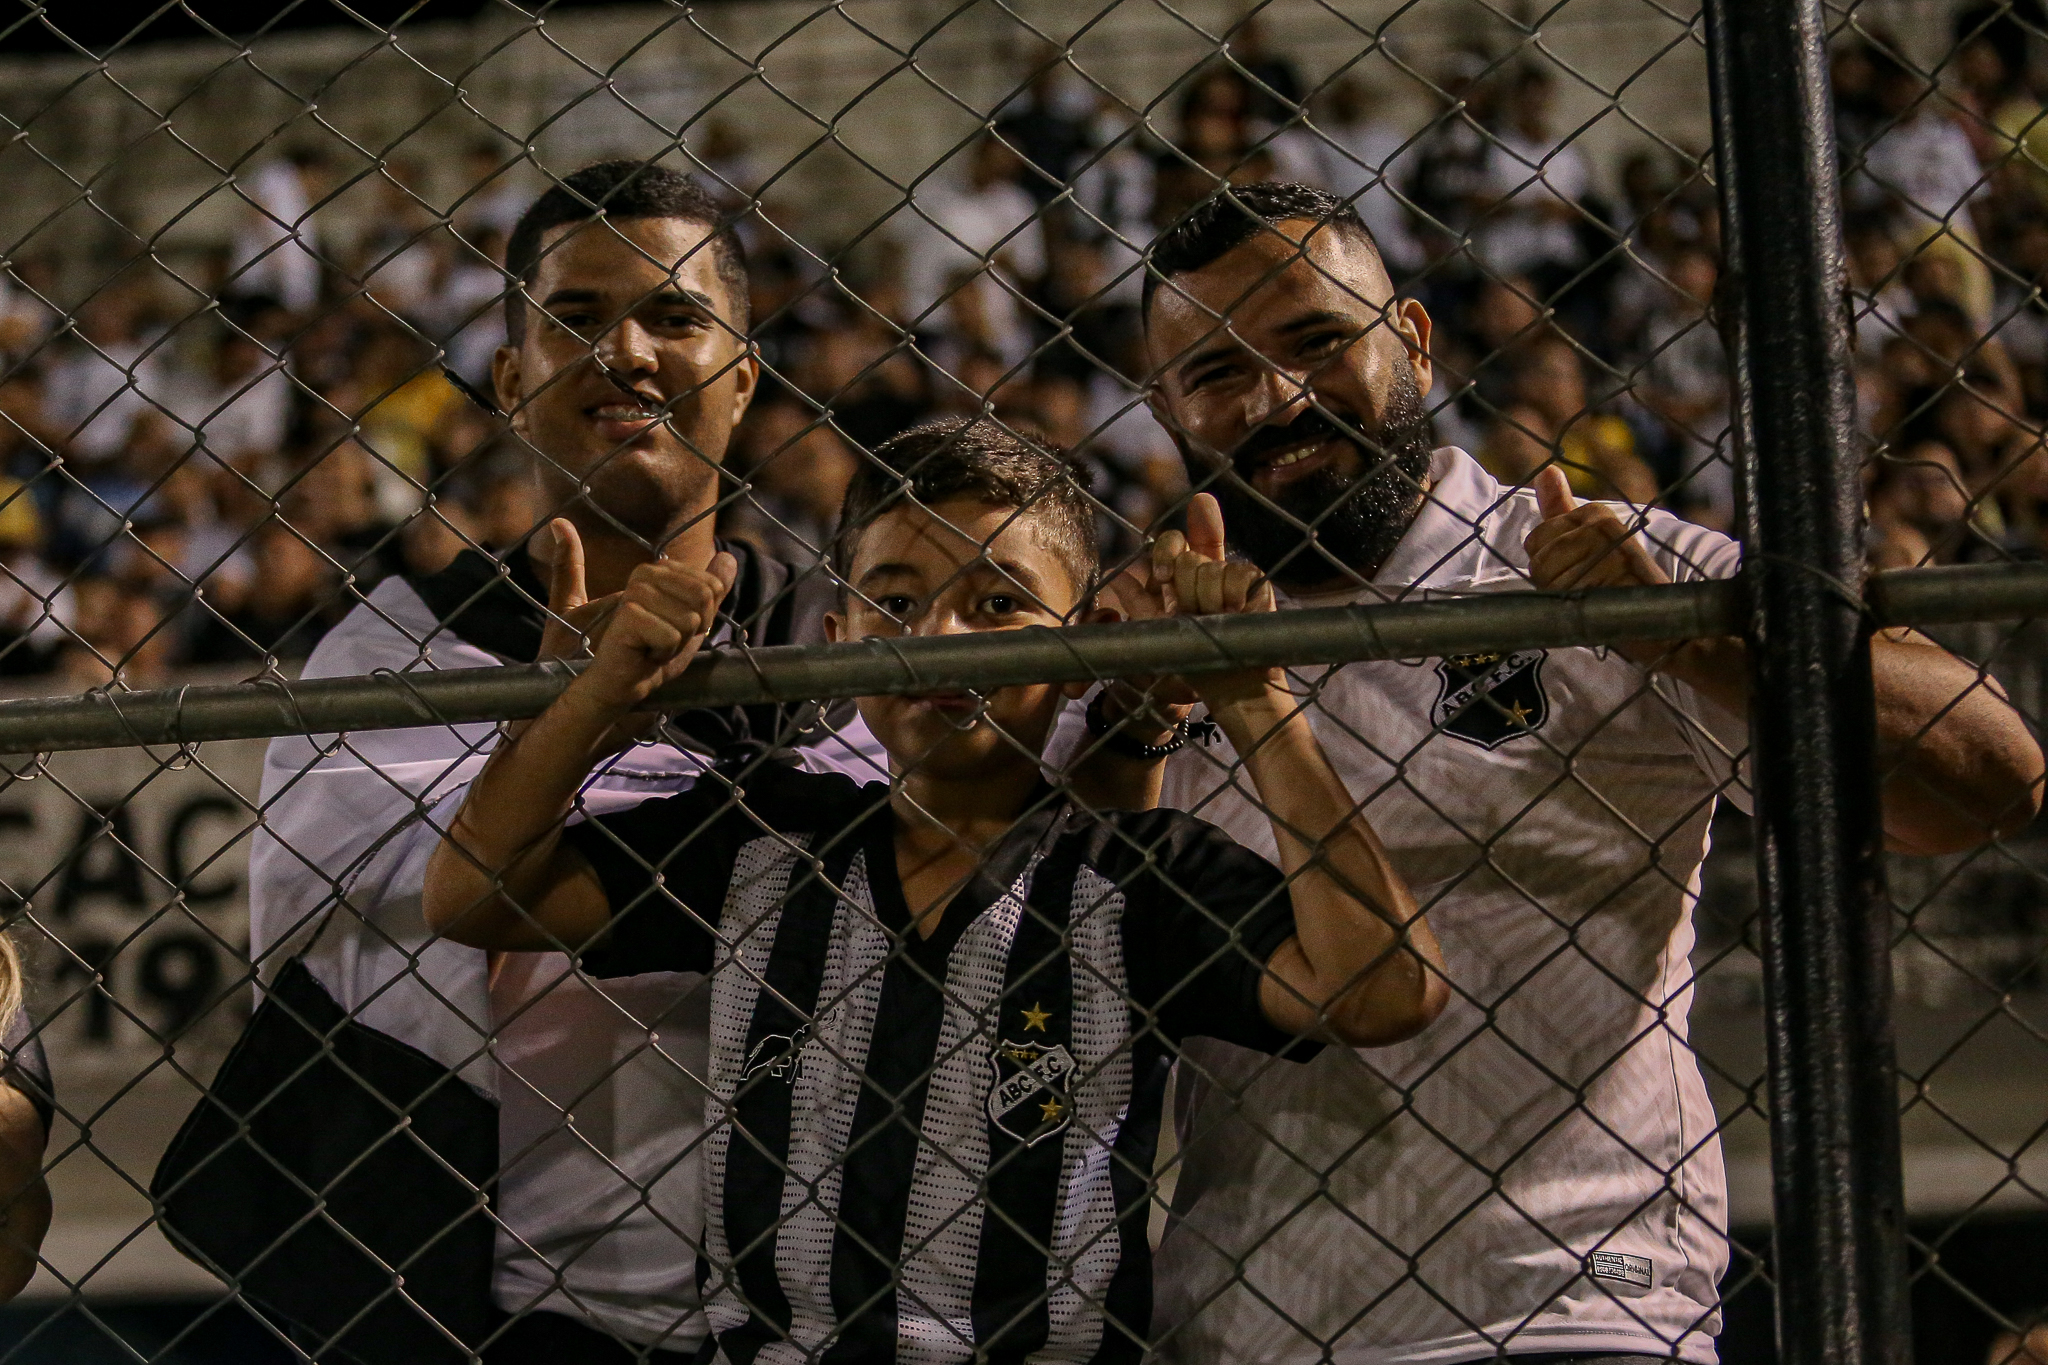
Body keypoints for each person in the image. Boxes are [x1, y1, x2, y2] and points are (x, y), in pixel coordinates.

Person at [1104, 182, 2042, 1364]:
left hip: (1572, 1304)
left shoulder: (1589, 560)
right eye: (1217, 372)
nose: (1277, 398)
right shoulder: (1158, 644)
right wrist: (1125, 718)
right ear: (1165, 408)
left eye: (1315, 342)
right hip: (1246, 1325)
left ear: (1411, 339)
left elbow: (1988, 780)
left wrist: (1684, 640)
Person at [421, 418, 1451, 1362]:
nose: (939, 640)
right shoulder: (766, 835)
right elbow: (473, 896)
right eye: (898, 602)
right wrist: (589, 701)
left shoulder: (1135, 872)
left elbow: (1382, 990)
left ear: (1087, 639)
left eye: (998, 603)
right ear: (838, 639)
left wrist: (1254, 698)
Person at [240, 161, 885, 1362]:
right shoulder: (393, 651)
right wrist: (572, 725)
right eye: (575, 318)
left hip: (835, 1301)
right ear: (508, 379)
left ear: (743, 377)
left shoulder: (844, 643)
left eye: (674, 317)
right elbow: (358, 951)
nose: (625, 352)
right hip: (529, 1309)